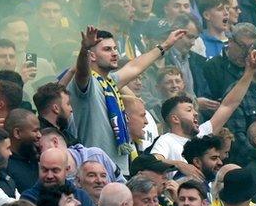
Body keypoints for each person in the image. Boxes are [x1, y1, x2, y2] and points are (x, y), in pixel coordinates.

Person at [70, 26, 186, 176]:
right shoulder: (88, 83)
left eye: (115, 48)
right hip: (94, 170)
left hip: (118, 170)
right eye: (107, 49)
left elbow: (135, 66)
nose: (114, 53)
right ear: (91, 56)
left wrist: (165, 45)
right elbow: (81, 72)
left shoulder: (110, 82)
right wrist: (84, 50)